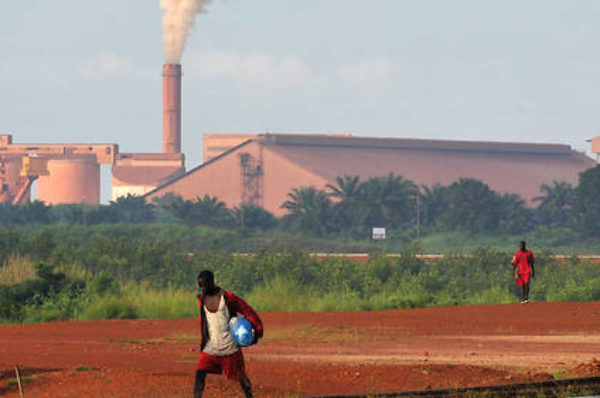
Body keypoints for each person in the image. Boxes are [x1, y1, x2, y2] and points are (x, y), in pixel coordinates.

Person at [193, 270, 263, 398]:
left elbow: (247, 310)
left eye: (204, 286)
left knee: (241, 378)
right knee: (200, 374)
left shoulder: (228, 298)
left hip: (230, 348)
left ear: (211, 282)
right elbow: (205, 323)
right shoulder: (201, 299)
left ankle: (250, 396)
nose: (202, 289)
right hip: (211, 348)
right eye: (200, 286)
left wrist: (257, 331)